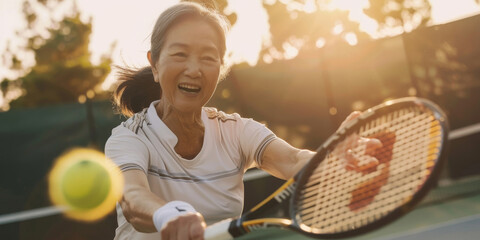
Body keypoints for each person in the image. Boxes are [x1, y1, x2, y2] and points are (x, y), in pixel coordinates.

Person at [105, 2, 379, 240]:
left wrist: (329, 158)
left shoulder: (236, 131)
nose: (194, 69)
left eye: (208, 58)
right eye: (179, 54)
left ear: (221, 68)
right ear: (154, 64)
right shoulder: (129, 138)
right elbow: (132, 197)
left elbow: (293, 160)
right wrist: (168, 214)